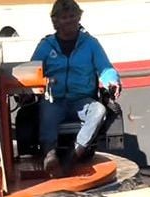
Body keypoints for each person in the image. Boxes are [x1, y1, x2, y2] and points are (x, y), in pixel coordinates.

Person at [32, 0, 121, 177]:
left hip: (82, 100)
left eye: (72, 16)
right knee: (46, 111)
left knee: (99, 110)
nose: (69, 21)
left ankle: (75, 153)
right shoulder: (46, 46)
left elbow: (105, 68)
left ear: (79, 18)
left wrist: (112, 80)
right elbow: (32, 69)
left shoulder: (90, 44)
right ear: (55, 21)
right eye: (64, 17)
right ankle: (50, 155)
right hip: (54, 99)